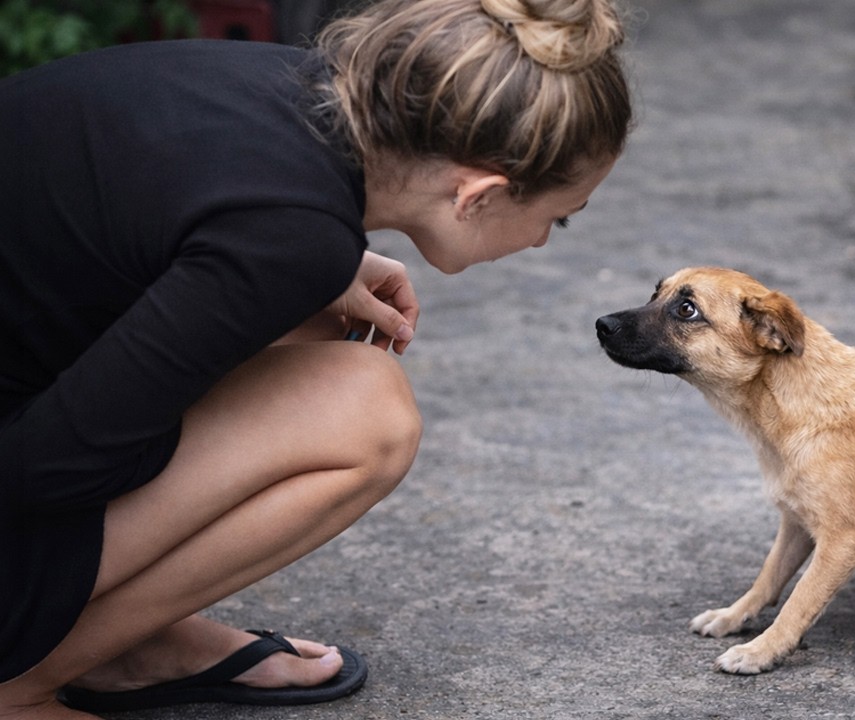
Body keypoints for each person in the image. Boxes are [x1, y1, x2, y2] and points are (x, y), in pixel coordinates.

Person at [0, 0, 632, 716]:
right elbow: (44, 470)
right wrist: (284, 281)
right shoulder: (288, 238)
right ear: (477, 195)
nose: (547, 240)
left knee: (307, 330)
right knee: (365, 415)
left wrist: (293, 285)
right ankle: (21, 683)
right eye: (559, 215)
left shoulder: (282, 88)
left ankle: (129, 644)